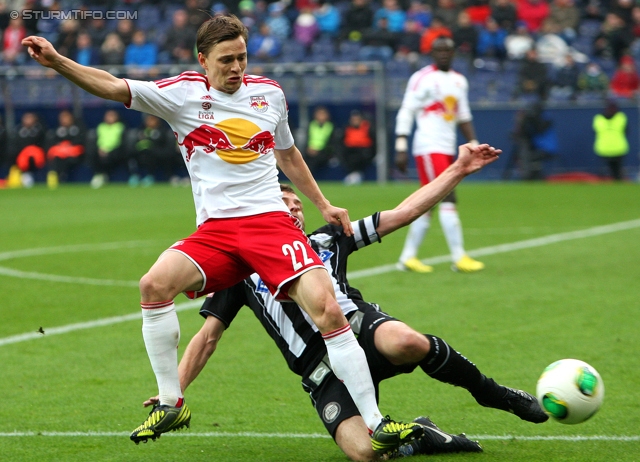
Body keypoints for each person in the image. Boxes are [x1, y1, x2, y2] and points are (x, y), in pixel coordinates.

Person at [23, 14, 420, 453]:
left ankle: (377, 421)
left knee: (328, 309)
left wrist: (323, 204)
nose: (236, 68)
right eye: (226, 60)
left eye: (242, 58)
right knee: (153, 284)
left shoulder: (269, 95)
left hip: (269, 223)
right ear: (203, 60)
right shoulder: (182, 94)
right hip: (216, 232)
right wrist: (59, 61)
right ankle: (172, 402)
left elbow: (288, 155)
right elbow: (114, 85)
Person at [145, 144, 550, 462]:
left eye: (298, 205)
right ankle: (424, 435)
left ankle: (492, 393)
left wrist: (457, 170)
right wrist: (172, 391)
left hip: (357, 330)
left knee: (405, 341)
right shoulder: (241, 270)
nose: (295, 210)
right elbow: (207, 338)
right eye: (285, 205)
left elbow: (403, 213)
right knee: (363, 453)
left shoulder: (327, 239)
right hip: (320, 372)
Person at [394, 37, 484, 274]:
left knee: (429, 203)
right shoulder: (422, 78)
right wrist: (401, 144)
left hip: (447, 146)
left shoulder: (458, 80)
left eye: (447, 50)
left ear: (454, 53)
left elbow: (463, 115)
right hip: (428, 146)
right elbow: (407, 110)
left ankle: (407, 257)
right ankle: (459, 257)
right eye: (438, 50)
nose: (443, 54)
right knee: (448, 196)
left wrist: (474, 144)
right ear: (431, 53)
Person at [46, 109, 85, 188]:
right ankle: (54, 176)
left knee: (69, 159)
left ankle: (62, 176)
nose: (64, 120)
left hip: (74, 154)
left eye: (66, 117)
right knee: (56, 158)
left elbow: (80, 142)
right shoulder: (57, 130)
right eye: (62, 118)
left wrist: (68, 147)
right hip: (61, 154)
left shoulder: (78, 128)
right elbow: (54, 143)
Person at [88, 109, 126, 189]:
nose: (109, 118)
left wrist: (109, 150)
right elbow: (97, 140)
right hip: (101, 150)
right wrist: (100, 149)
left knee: (111, 156)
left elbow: (121, 142)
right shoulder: (101, 126)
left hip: (115, 150)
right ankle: (98, 174)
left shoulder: (120, 127)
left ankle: (104, 175)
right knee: (92, 153)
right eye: (108, 116)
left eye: (112, 116)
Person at [593, 100, 628, 181]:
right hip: (606, 148)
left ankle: (616, 182)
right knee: (611, 171)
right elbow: (626, 131)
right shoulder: (621, 117)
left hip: (616, 148)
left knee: (616, 170)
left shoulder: (620, 117)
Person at [339, 110, 375, 185]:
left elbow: (373, 143)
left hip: (364, 151)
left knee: (359, 156)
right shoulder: (347, 128)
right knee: (347, 156)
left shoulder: (367, 127)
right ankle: (353, 175)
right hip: (350, 151)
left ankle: (356, 175)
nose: (355, 121)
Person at [303, 106, 336, 175]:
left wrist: (318, 150)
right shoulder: (311, 125)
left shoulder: (330, 126)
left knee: (315, 161)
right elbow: (307, 139)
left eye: (323, 114)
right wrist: (309, 149)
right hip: (310, 150)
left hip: (324, 152)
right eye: (319, 114)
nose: (321, 116)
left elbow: (331, 143)